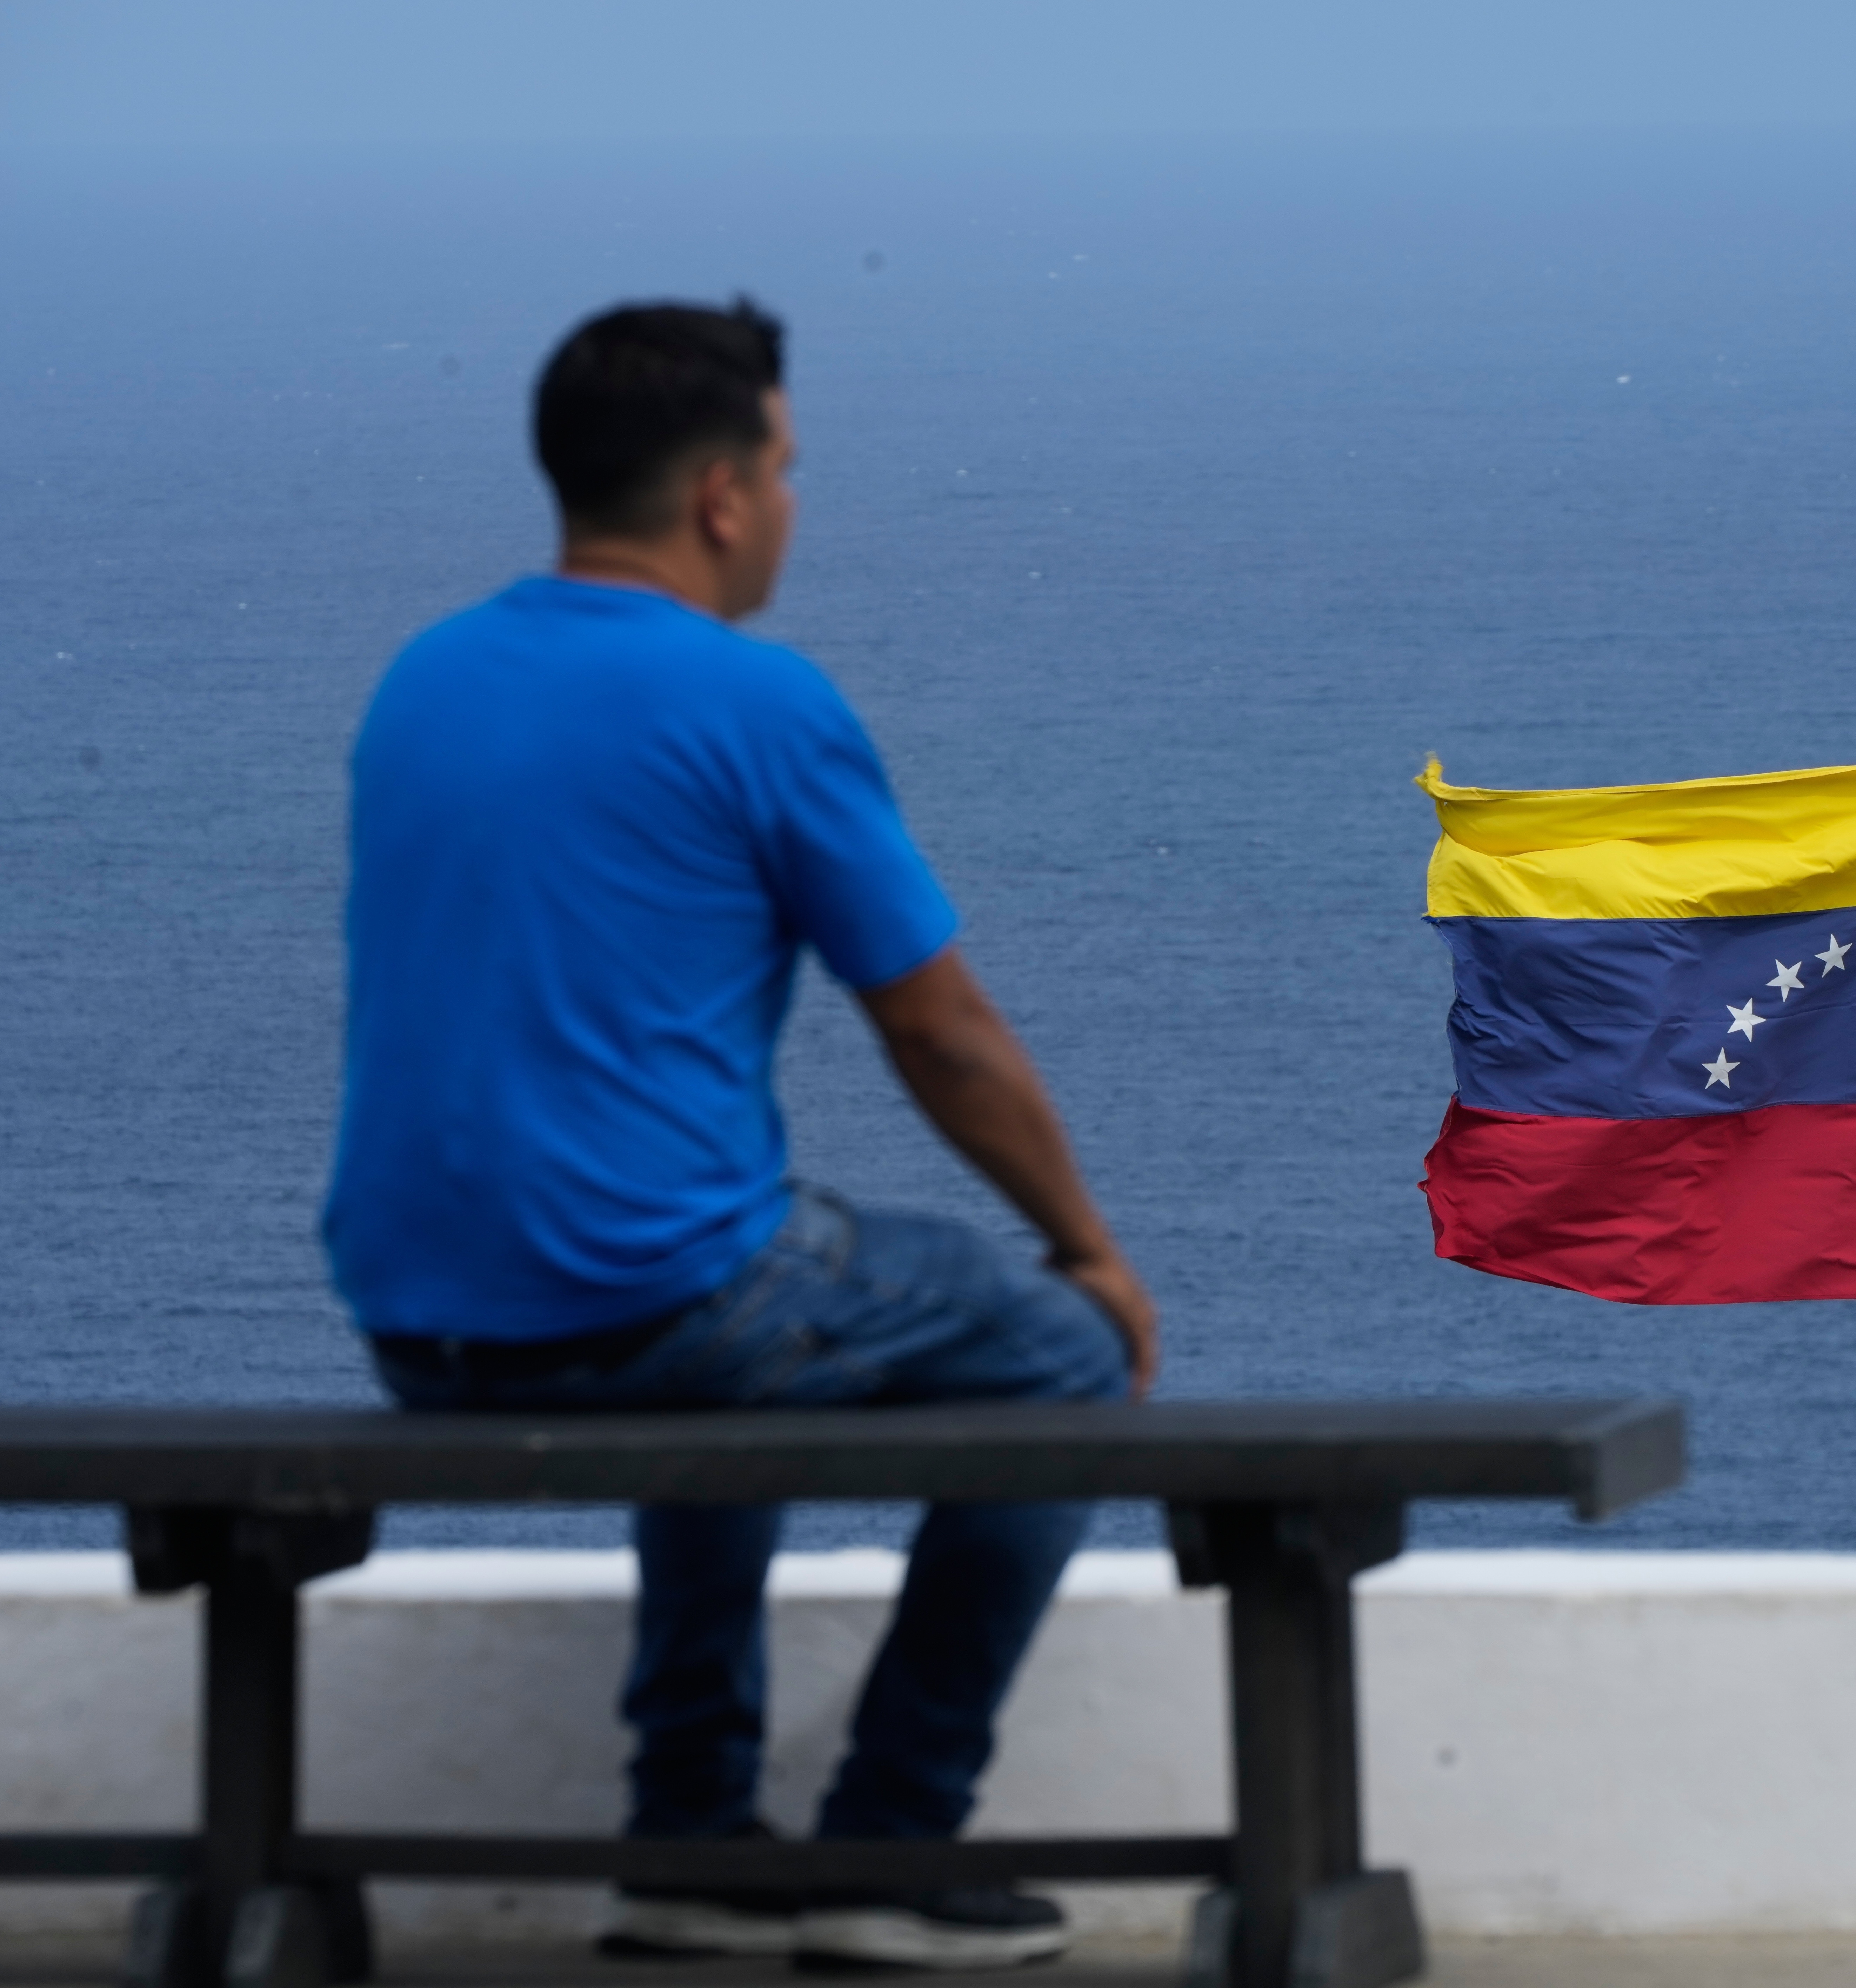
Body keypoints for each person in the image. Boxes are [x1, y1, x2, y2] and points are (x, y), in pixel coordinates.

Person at [321, 298, 1156, 1973]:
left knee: (721, 1307)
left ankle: (693, 1839)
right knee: (1053, 1355)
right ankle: (888, 1849)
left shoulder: (423, 677)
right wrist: (1087, 1248)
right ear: (719, 494)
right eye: (784, 468)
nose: (789, 502)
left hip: (421, 1320)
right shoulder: (755, 705)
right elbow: (937, 1029)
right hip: (656, 1298)